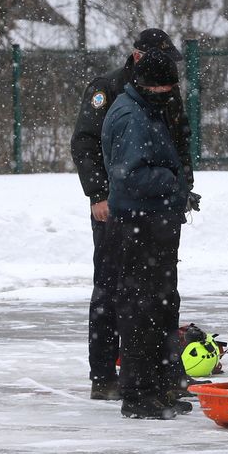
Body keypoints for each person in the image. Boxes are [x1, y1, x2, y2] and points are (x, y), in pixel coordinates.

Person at [70, 28, 194, 401]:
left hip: (159, 208)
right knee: (114, 292)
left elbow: (180, 141)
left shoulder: (164, 91)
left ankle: (161, 374)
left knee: (159, 294)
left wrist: (182, 187)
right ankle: (106, 374)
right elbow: (86, 142)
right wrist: (99, 194)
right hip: (120, 207)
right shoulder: (110, 91)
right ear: (138, 56)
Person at [103, 49, 192, 420]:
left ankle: (155, 387)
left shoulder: (146, 110)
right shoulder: (131, 115)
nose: (172, 92)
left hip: (154, 225)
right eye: (168, 85)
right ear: (151, 84)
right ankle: (139, 394)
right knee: (142, 312)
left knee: (160, 308)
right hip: (140, 228)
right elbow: (130, 176)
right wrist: (174, 183)